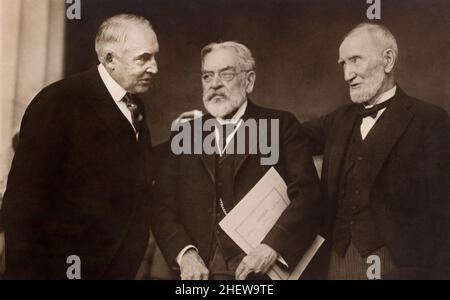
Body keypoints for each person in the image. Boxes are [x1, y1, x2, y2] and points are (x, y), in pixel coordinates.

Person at [1, 14, 159, 279]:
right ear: (109, 59)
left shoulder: (135, 106)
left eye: (155, 57)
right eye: (144, 58)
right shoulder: (58, 101)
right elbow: (22, 202)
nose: (154, 67)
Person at [151, 41, 322, 280]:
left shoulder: (281, 125)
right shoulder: (185, 134)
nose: (215, 84)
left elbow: (308, 195)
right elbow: (162, 206)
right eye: (207, 76)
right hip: (199, 272)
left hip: (261, 269)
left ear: (249, 81)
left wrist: (271, 247)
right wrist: (185, 254)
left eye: (226, 74)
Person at [302, 22, 450, 279]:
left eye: (356, 60)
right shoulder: (339, 119)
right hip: (335, 261)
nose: (348, 74)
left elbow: (445, 212)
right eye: (343, 64)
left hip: (400, 267)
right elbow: (288, 136)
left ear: (388, 60)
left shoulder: (431, 121)